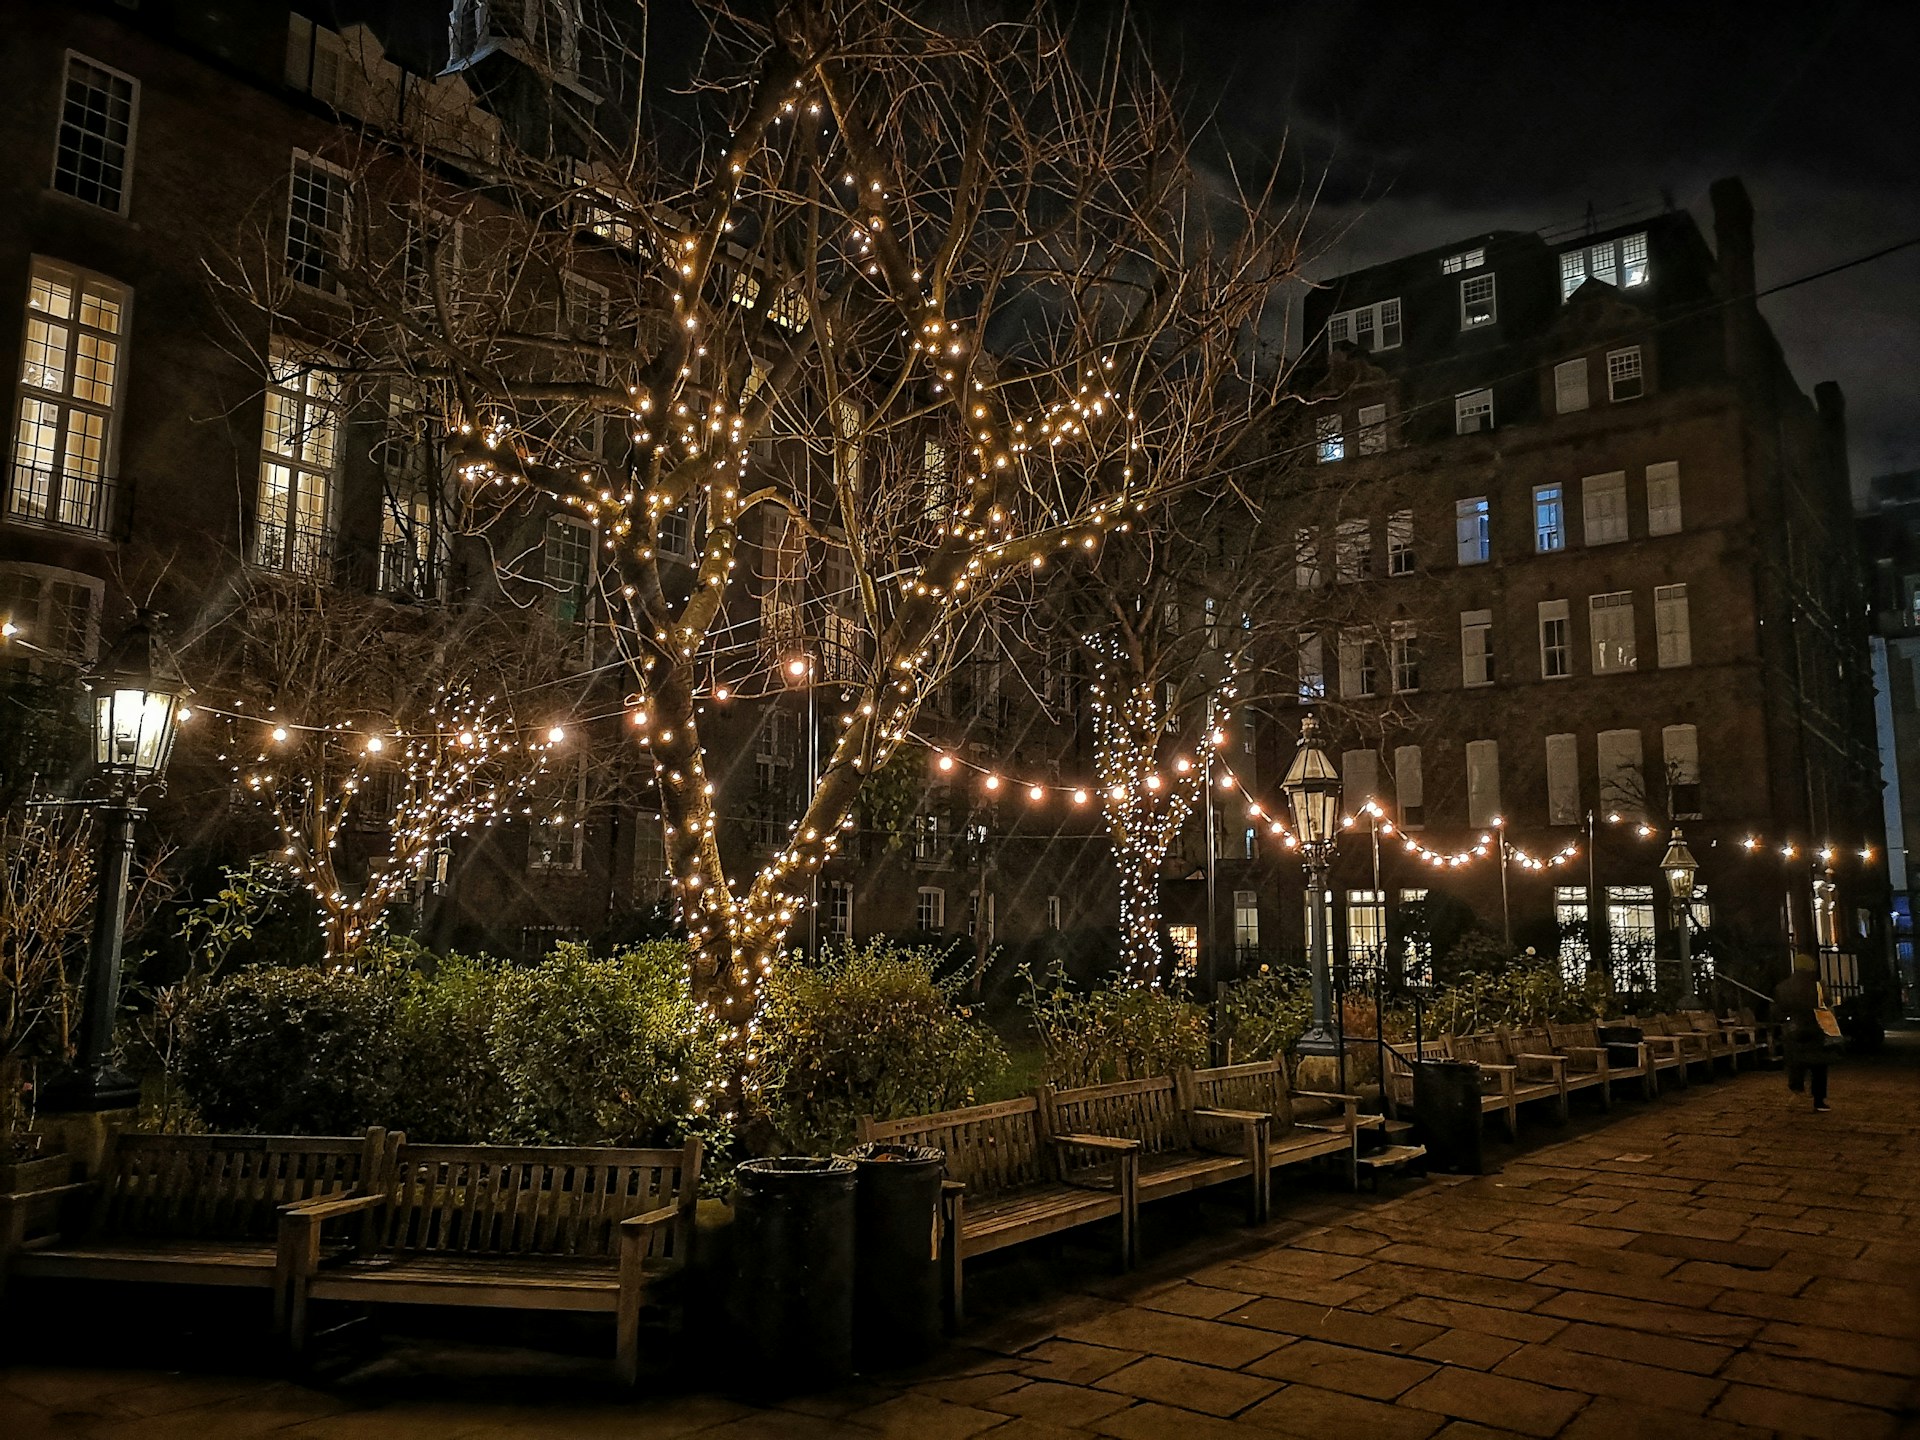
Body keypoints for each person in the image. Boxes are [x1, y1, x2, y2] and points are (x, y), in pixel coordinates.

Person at [1772, 952, 1832, 1112]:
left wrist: (1786, 1019)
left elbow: (1776, 1012)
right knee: (1818, 1066)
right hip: (1814, 1028)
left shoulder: (1782, 987)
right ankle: (1819, 1100)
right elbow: (1826, 1004)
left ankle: (1797, 1091)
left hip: (1793, 1030)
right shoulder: (1817, 987)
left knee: (1795, 1063)